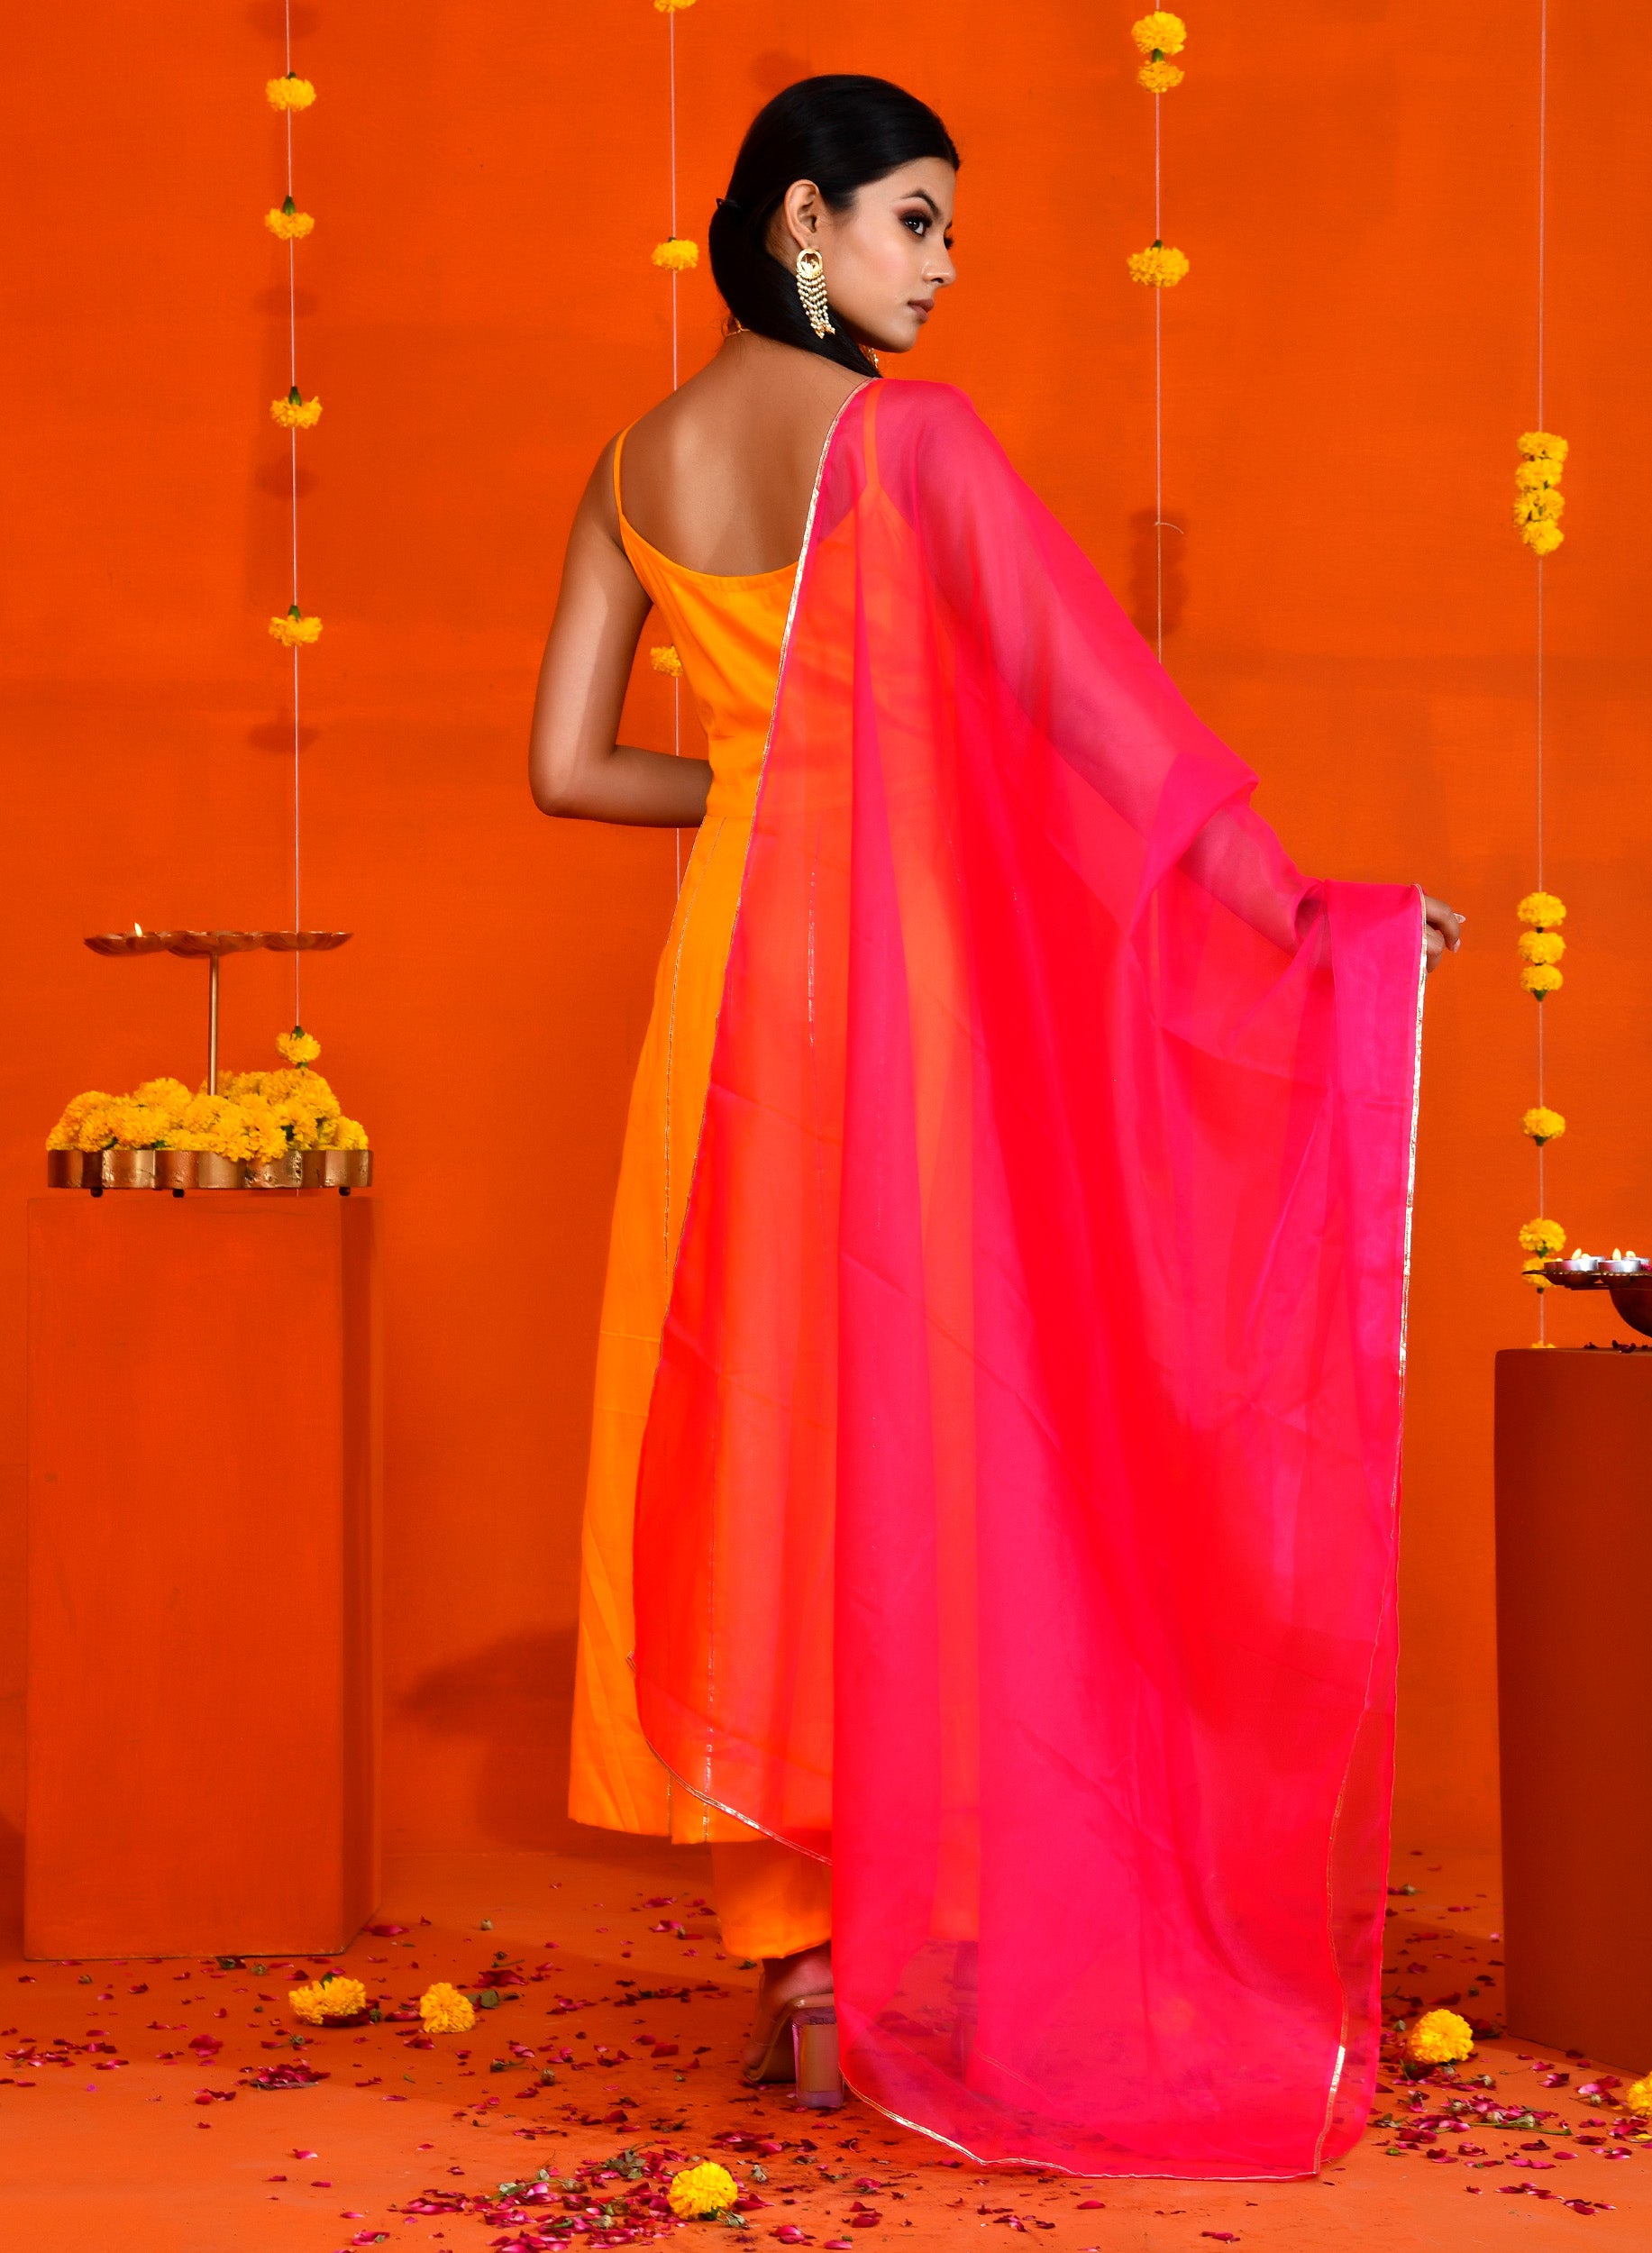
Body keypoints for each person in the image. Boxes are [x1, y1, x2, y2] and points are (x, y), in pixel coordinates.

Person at [530, 74, 1460, 2175]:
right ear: (805, 220)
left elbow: (569, 772)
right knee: (928, 1412)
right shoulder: (909, 443)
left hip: (721, 984)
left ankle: (791, 1951)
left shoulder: (631, 463)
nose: (945, 268)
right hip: (899, 988)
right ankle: (914, 1928)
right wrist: (1299, 913)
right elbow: (1100, 718)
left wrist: (760, 788)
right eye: (916, 221)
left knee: (756, 1414)